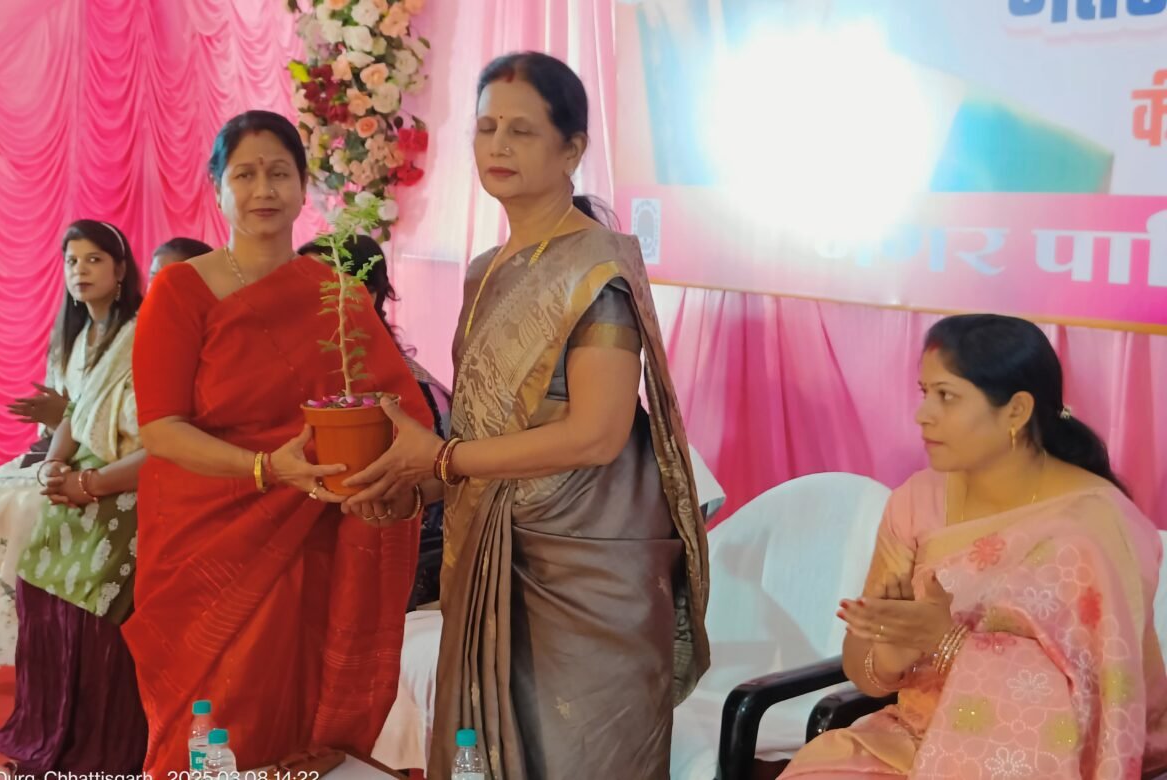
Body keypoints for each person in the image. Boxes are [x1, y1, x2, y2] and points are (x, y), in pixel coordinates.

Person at [340, 52, 710, 778]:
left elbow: (598, 434)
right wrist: (416, 484)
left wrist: (439, 459)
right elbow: (492, 435)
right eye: (486, 128)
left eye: (522, 130)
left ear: (572, 149)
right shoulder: (487, 270)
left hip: (587, 573)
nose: (499, 145)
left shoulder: (595, 269)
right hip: (493, 552)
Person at [123, 110, 434, 776]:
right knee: (210, 724)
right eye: (244, 175)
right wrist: (267, 468)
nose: (263, 190)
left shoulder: (339, 298)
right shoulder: (179, 291)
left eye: (278, 173)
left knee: (296, 719)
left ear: (302, 187)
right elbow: (161, 429)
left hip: (315, 537)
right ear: (216, 190)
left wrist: (388, 482)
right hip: (208, 538)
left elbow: (402, 417)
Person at [782, 314, 1167, 778]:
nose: (923, 414)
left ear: (1016, 411)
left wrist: (946, 642)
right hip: (913, 741)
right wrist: (891, 655)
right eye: (925, 392)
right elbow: (863, 670)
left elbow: (1103, 700)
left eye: (947, 396)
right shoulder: (917, 501)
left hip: (1043, 758)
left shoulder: (1099, 525)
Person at [0, 219, 148, 772]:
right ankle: (49, 734)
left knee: (91, 594)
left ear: (121, 269)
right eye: (71, 261)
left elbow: (149, 433)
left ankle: (99, 752)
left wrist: (87, 482)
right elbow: (72, 416)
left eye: (94, 260)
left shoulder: (142, 332)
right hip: (84, 471)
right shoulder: (81, 338)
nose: (80, 271)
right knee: (34, 577)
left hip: (131, 477)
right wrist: (54, 467)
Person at [298, 235, 451, 607]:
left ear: (364, 295)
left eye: (318, 285)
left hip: (398, 560)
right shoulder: (301, 377)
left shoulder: (414, 390)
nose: (299, 298)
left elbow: (438, 490)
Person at [0, 305, 74, 669]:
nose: (80, 275)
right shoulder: (65, 342)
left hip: (96, 457)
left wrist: (70, 417)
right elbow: (53, 426)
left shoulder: (125, 343)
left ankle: (22, 615)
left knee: (30, 505)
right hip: (53, 452)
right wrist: (55, 425)